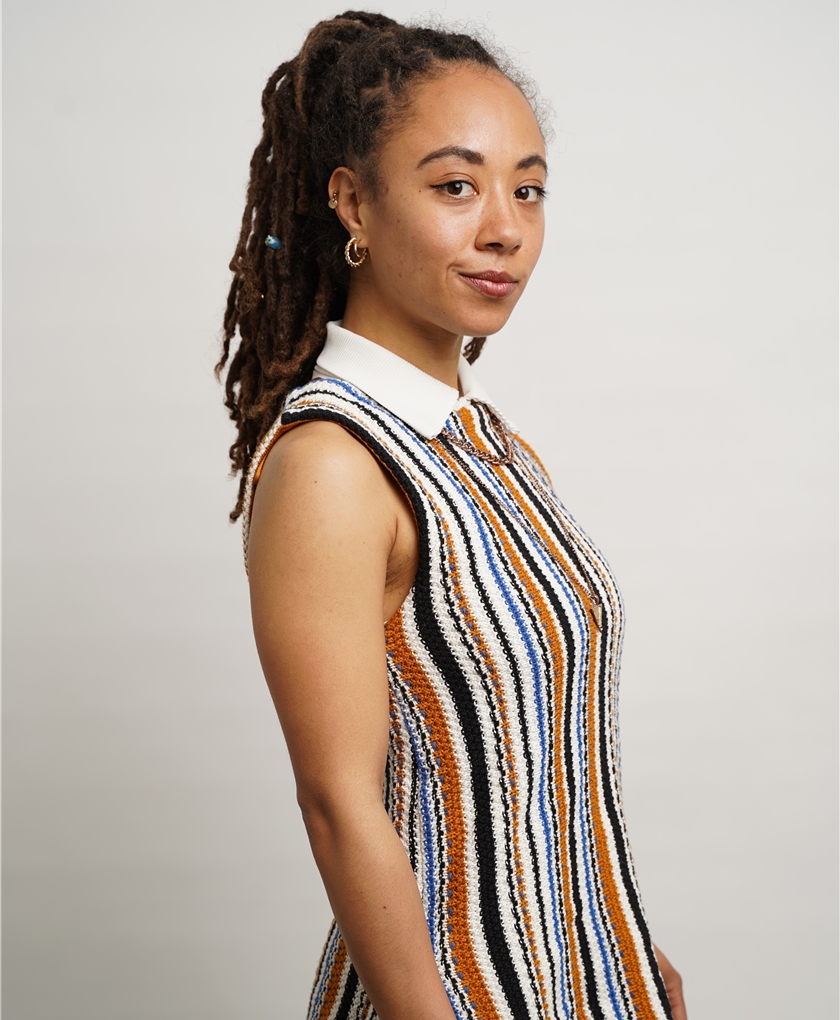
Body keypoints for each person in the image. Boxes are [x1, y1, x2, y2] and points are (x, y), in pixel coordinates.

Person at [217, 12, 688, 1020]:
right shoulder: (333, 465)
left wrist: (636, 960)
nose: (505, 228)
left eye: (528, 188)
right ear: (354, 201)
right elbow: (340, 806)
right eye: (455, 186)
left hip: (594, 982)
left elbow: (544, 761)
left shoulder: (491, 446)